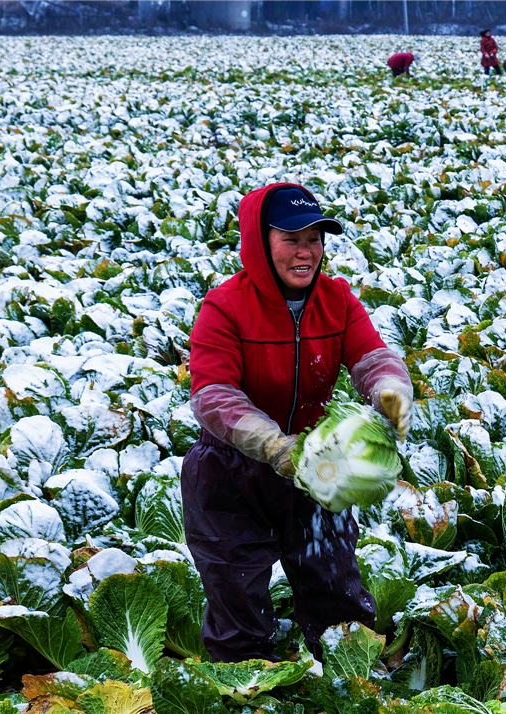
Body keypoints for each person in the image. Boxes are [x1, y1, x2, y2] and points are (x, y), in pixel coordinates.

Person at [182, 184, 414, 662]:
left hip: (315, 467)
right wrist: (275, 447)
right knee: (237, 595)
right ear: (259, 243)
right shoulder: (224, 307)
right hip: (231, 473)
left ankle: (348, 681)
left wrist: (391, 392)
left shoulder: (337, 299)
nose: (305, 252)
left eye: (315, 239)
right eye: (291, 239)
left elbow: (371, 357)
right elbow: (213, 395)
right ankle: (247, 691)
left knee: (335, 588)